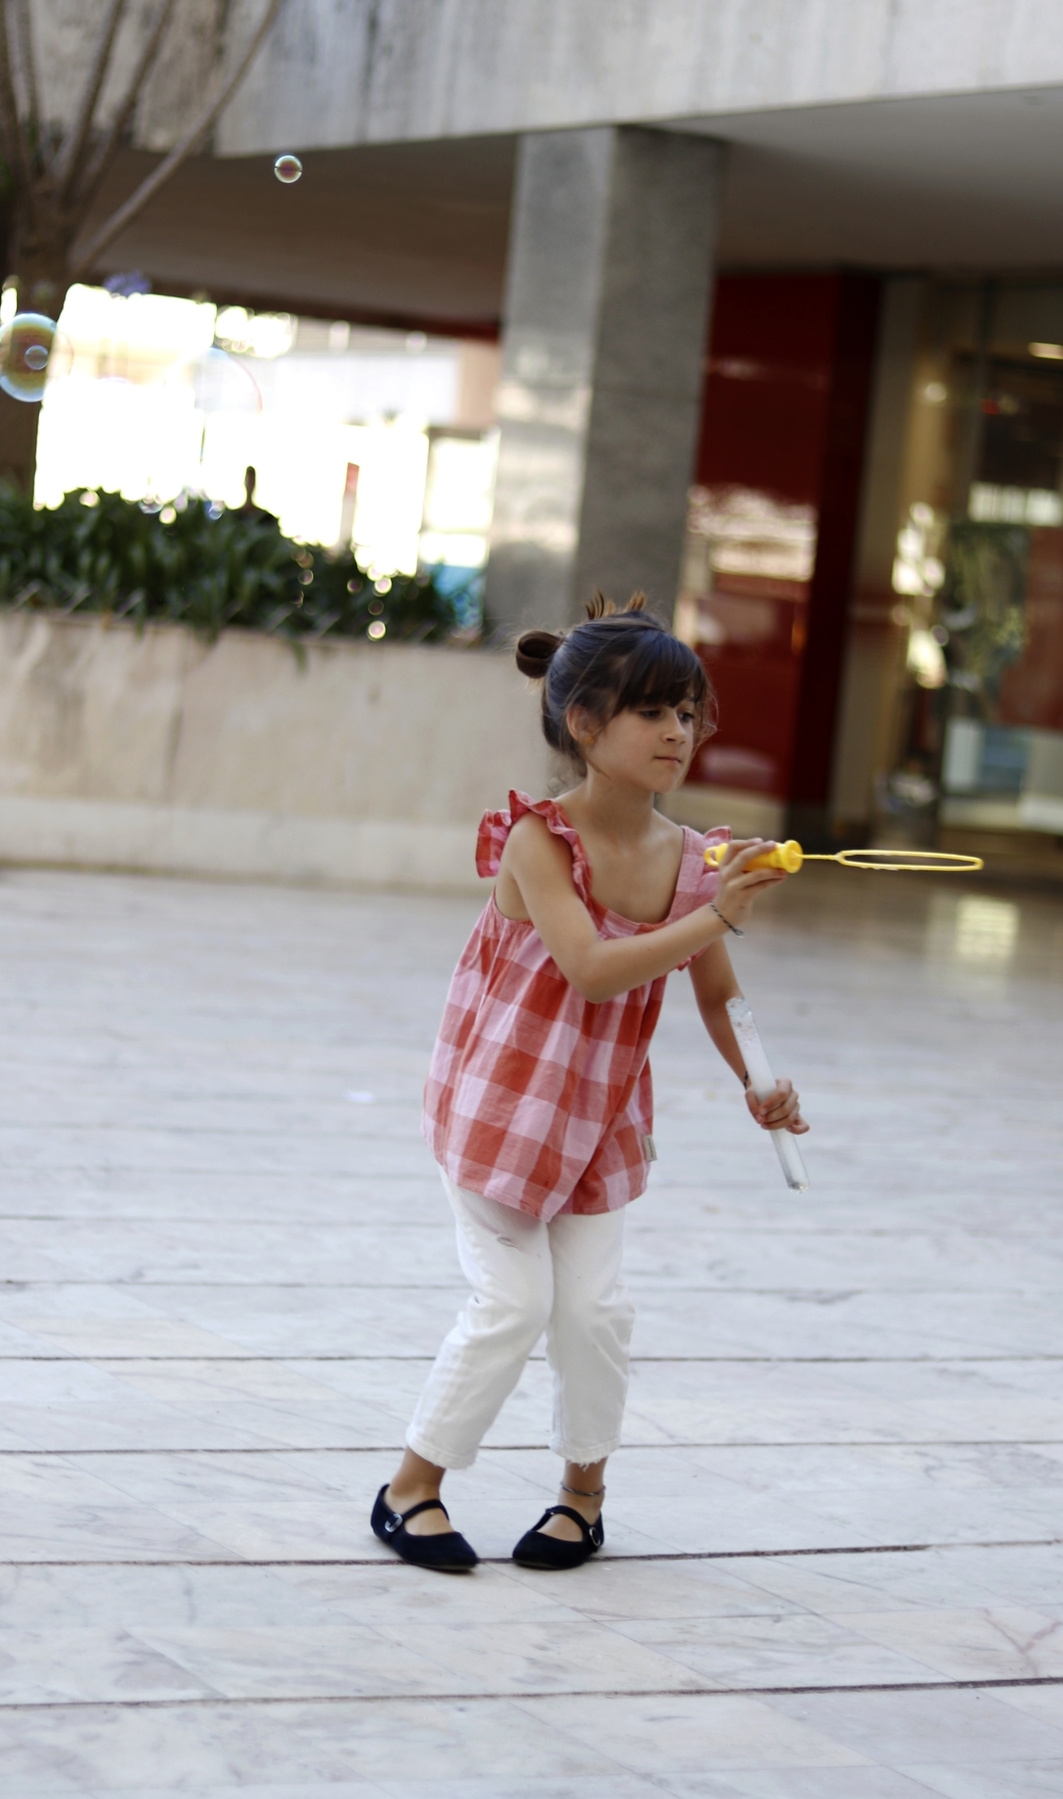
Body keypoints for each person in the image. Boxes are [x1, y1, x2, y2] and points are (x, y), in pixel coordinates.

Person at [372, 594, 808, 1573]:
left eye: (687, 712)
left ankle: (582, 1498)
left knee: (594, 1312)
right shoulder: (538, 840)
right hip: (501, 1108)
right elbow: (592, 968)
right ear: (583, 723)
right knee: (511, 1303)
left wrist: (760, 1081)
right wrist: (719, 913)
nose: (678, 731)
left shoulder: (691, 860)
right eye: (652, 711)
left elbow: (715, 993)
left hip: (600, 1117)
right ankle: (409, 1488)